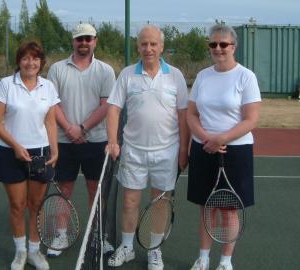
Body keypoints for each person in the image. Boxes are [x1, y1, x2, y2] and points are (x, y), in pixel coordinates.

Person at [106, 25, 190, 270]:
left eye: (153, 44)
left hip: (167, 152)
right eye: (144, 44)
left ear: (162, 46)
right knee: (129, 202)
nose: (149, 48)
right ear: (138, 46)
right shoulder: (127, 74)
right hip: (133, 150)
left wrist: (184, 149)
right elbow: (113, 108)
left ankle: (154, 250)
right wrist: (113, 140)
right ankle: (127, 247)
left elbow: (183, 115)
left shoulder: (175, 75)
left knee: (160, 203)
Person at [187, 24, 261, 270]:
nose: (217, 49)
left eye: (223, 44)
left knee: (229, 210)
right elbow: (192, 114)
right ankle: (204, 259)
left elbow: (251, 119)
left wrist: (221, 139)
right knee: (206, 208)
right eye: (213, 44)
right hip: (203, 148)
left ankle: (225, 262)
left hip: (235, 152)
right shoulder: (202, 76)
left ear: (233, 47)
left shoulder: (246, 76)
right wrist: (206, 138)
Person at [46, 23, 116, 257]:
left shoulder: (105, 70)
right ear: (73, 42)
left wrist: (83, 128)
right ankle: (61, 235)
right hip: (64, 142)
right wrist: (69, 129)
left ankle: (97, 235)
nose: (84, 43)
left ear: (95, 41)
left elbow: (106, 105)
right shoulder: (57, 69)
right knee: (63, 189)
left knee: (96, 191)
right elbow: (52, 103)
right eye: (79, 39)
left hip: (96, 141)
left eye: (88, 38)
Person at [0, 41, 60, 270]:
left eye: (35, 59)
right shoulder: (6, 85)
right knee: (17, 206)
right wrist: (16, 145)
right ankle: (20, 252)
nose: (30, 63)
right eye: (25, 58)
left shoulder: (48, 87)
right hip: (10, 153)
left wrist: (55, 149)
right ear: (19, 61)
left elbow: (50, 122)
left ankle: (34, 252)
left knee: (36, 205)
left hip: (40, 153)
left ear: (41, 62)